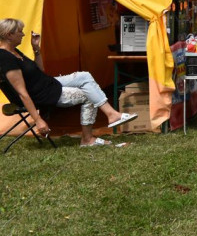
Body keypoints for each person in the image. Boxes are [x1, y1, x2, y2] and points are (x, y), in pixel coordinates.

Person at [0, 19, 138, 146]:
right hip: (42, 93)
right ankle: (88, 139)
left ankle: (112, 115)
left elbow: (39, 71)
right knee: (89, 95)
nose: (23, 34)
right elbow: (22, 92)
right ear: (9, 35)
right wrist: (37, 119)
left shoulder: (14, 51)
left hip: (48, 82)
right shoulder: (5, 58)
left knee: (84, 76)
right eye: (20, 32)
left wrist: (36, 49)